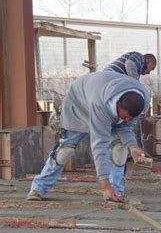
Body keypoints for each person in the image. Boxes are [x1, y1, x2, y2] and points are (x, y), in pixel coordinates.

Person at [26, 71, 151, 202]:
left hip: (106, 104)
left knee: (119, 150)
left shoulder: (142, 100)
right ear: (119, 105)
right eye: (125, 117)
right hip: (79, 106)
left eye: (130, 118)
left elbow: (126, 126)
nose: (127, 120)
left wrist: (133, 145)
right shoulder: (100, 105)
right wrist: (105, 185)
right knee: (64, 151)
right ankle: (38, 187)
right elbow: (99, 145)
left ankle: (117, 192)